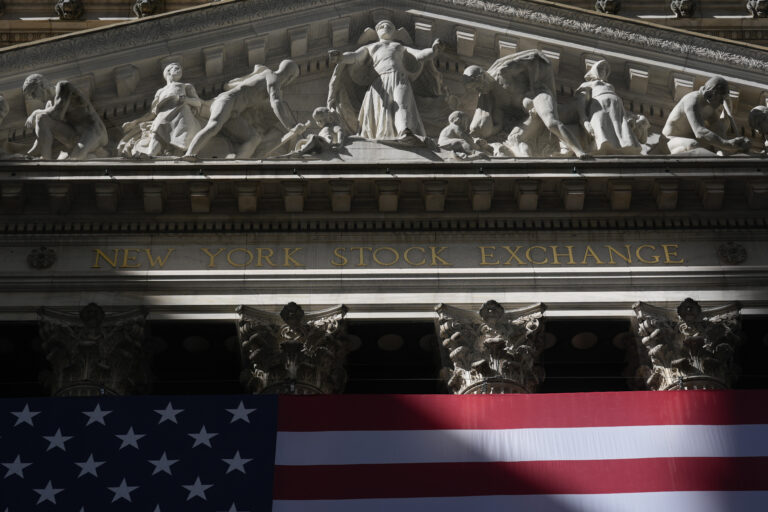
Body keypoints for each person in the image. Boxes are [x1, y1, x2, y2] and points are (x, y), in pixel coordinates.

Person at [328, 19, 444, 141]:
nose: (385, 27)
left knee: (402, 103)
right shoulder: (371, 47)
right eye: (381, 26)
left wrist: (433, 50)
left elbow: (419, 55)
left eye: (389, 26)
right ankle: (385, 133)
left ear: (394, 32)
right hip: (380, 82)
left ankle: (405, 131)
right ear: (377, 32)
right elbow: (355, 56)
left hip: (399, 79)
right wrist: (341, 57)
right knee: (383, 109)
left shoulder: (399, 47)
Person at [463, 50, 587, 158]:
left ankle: (579, 151)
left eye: (476, 87)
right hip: (530, 116)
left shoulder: (503, 71)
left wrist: (534, 86)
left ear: (481, 77)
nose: (478, 91)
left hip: (537, 96)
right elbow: (498, 124)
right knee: (514, 139)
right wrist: (483, 139)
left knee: (551, 123)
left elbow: (534, 59)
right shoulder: (492, 97)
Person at [183, 59, 300, 159]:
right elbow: (276, 102)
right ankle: (189, 154)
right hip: (227, 101)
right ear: (290, 77)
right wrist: (291, 126)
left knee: (254, 138)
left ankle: (236, 164)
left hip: (233, 114)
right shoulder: (273, 77)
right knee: (213, 126)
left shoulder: (266, 75)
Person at [121, 62, 202, 157]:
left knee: (181, 135)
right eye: (176, 68)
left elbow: (198, 102)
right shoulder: (160, 91)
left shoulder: (186, 86)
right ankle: (150, 154)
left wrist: (185, 99)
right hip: (163, 114)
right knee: (157, 132)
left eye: (180, 68)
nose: (179, 70)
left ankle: (181, 156)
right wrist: (134, 122)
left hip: (181, 113)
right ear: (168, 71)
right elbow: (152, 113)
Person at [23, 74, 109, 160]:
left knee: (75, 159)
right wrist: (26, 155)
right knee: (42, 119)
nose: (34, 97)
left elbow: (57, 113)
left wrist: (35, 112)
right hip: (75, 136)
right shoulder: (49, 105)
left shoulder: (63, 86)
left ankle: (95, 152)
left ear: (41, 85)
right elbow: (41, 138)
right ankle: (45, 158)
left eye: (33, 93)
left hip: (93, 132)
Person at [662, 76, 751, 155]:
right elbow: (700, 132)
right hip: (669, 141)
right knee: (693, 145)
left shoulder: (710, 107)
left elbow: (719, 128)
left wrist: (736, 145)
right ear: (711, 94)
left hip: (690, 139)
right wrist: (726, 144)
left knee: (709, 147)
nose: (721, 103)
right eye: (721, 100)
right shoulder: (692, 100)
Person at [575, 60, 641, 155]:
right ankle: (601, 146)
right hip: (598, 106)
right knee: (601, 123)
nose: (603, 71)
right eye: (601, 69)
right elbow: (581, 100)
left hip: (616, 108)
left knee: (618, 127)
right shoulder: (588, 84)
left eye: (605, 70)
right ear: (595, 70)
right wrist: (584, 119)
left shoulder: (609, 85)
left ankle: (621, 146)